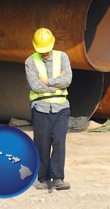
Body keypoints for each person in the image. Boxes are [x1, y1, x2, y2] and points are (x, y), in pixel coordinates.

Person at [25, 27, 72, 190]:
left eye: (47, 51)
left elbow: (67, 80)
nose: (45, 54)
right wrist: (56, 82)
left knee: (59, 142)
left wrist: (48, 82)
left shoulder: (62, 57)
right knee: (42, 144)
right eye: (42, 51)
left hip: (61, 108)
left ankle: (58, 177)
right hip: (40, 108)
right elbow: (35, 85)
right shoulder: (30, 61)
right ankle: (43, 178)